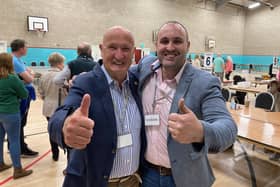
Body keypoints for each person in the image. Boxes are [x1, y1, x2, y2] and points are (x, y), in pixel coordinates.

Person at [135, 21, 237, 187]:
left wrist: (201, 132)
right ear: (156, 45)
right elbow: (119, 75)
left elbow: (228, 129)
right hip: (148, 175)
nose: (170, 47)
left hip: (185, 178)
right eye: (164, 41)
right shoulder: (145, 67)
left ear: (187, 46)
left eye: (177, 41)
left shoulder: (205, 82)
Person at [48, 26, 146, 187]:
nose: (119, 55)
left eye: (126, 49)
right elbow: (58, 117)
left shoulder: (137, 82)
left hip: (134, 181)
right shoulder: (85, 82)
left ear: (133, 52)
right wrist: (65, 126)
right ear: (101, 49)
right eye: (112, 47)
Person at [0, 53, 33, 179]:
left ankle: (1, 164)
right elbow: (24, 94)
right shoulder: (12, 78)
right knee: (14, 140)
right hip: (11, 112)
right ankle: (18, 169)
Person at [10, 39, 38, 157]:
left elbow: (30, 73)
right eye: (26, 47)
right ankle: (21, 148)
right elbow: (30, 78)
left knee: (21, 122)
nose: (27, 49)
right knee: (20, 122)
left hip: (24, 94)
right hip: (21, 96)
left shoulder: (18, 60)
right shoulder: (15, 61)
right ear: (21, 48)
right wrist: (30, 75)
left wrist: (30, 74)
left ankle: (15, 146)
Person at [38, 52, 66, 161]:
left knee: (51, 130)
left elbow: (41, 92)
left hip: (48, 107)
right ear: (60, 63)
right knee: (64, 131)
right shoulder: (62, 75)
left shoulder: (43, 75)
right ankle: (67, 153)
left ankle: (55, 154)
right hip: (61, 108)